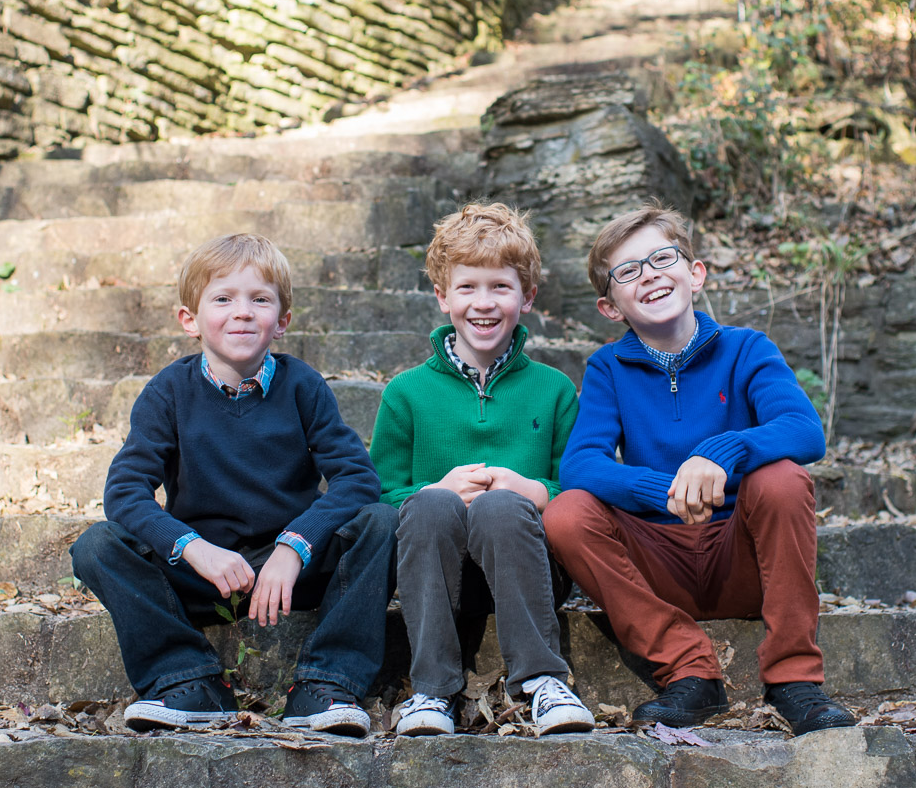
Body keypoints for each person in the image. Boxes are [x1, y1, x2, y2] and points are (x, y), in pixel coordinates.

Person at [542, 202, 856, 736]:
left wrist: (721, 452)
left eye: (662, 258)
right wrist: (664, 488)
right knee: (567, 513)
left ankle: (793, 679)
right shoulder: (607, 369)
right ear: (610, 306)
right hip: (657, 566)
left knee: (782, 479)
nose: (650, 275)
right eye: (628, 271)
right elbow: (579, 465)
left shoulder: (746, 349)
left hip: (742, 558)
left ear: (695, 272)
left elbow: (805, 431)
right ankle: (689, 669)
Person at [70, 233, 395, 736]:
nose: (242, 312)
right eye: (222, 299)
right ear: (190, 320)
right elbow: (125, 493)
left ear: (281, 322)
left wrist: (296, 546)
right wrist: (191, 547)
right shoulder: (168, 393)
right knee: (97, 546)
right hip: (203, 570)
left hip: (288, 573)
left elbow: (357, 479)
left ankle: (327, 684)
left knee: (382, 522)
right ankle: (187, 682)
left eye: (259, 299)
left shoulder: (303, 386)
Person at [370, 203, 595, 737]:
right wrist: (433, 490)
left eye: (501, 287)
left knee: (499, 504)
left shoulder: (555, 389)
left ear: (528, 297)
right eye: (468, 287)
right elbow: (379, 494)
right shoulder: (406, 393)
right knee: (428, 502)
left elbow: (583, 488)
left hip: (530, 572)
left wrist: (535, 489)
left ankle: (542, 679)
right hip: (435, 576)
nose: (484, 303)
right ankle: (431, 689)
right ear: (442, 296)